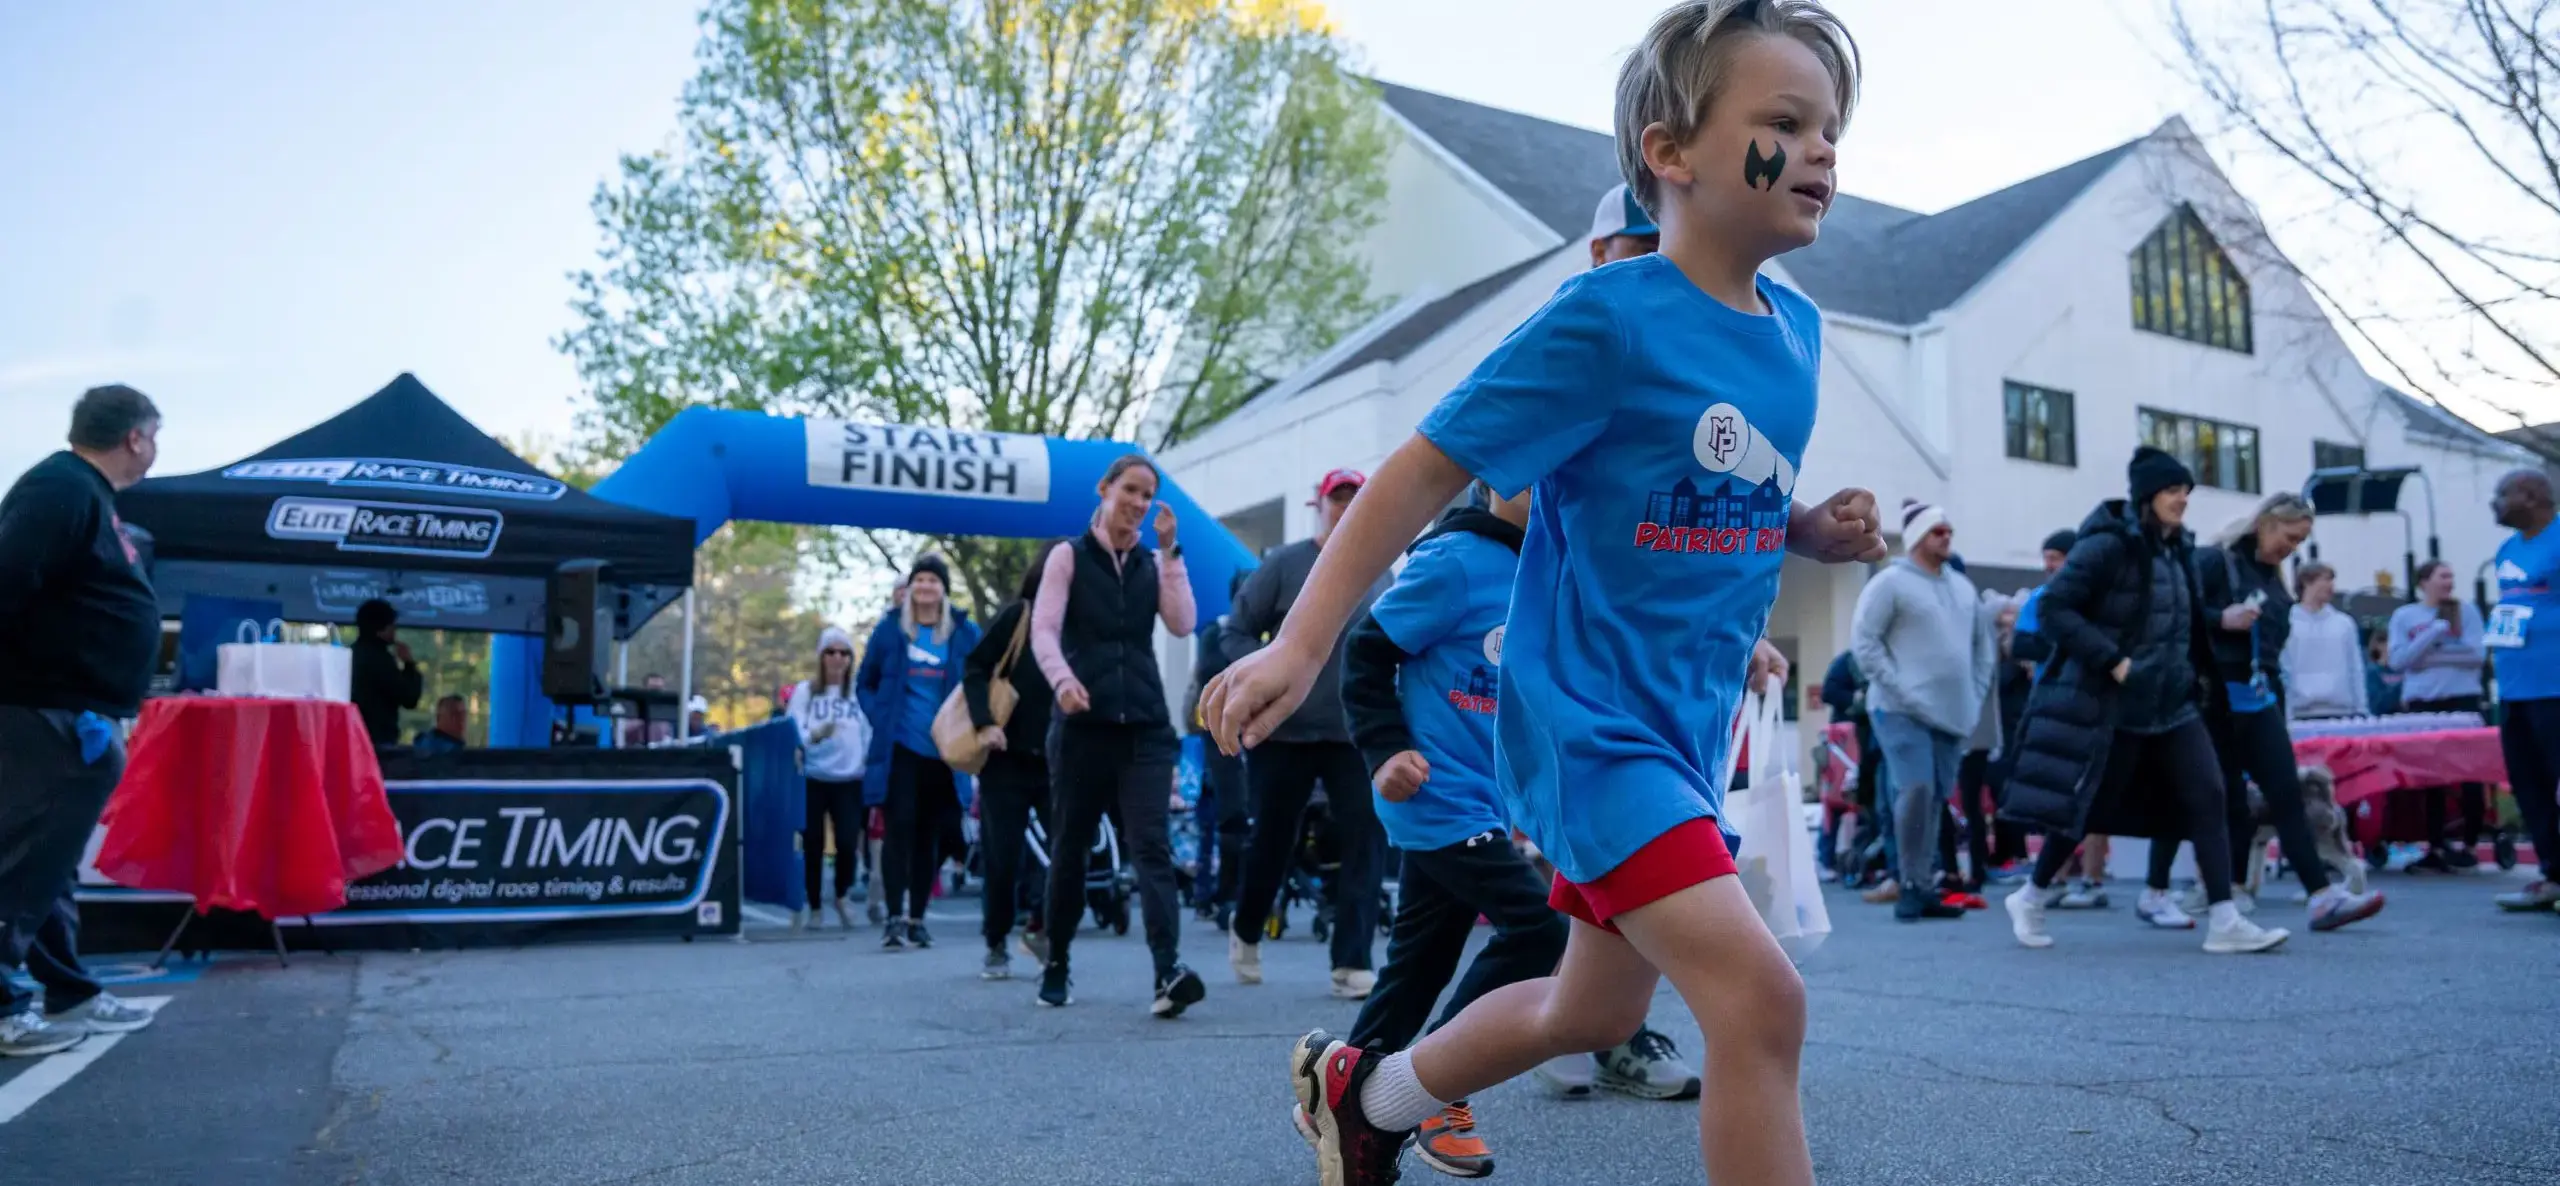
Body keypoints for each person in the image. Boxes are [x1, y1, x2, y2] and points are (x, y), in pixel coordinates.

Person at [1203, 4, 1884, 1180]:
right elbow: (1421, 467)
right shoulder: (1605, 319)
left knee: (1592, 1011)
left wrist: (1809, 533)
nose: (1821, 149)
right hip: (1591, 732)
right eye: (1785, 122)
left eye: (1830, 127)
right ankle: (1377, 1095)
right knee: (1760, 1003)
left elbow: (1721, 478)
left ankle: (1373, 1095)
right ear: (1670, 153)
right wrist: (1301, 648)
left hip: (1683, 736)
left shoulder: (1799, 334)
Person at [1330, 481, 1563, 1176]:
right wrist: (1383, 750)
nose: (1549, 484)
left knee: (1420, 961)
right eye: (1533, 470)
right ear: (1494, 477)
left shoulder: (1547, 567)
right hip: (1432, 792)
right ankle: (1437, 1083)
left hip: (1485, 799)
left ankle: (1343, 1090)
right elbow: (1365, 654)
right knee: (1539, 929)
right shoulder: (1454, 560)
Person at [2000, 447, 2291, 955]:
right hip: (2117, 704)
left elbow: (2186, 621)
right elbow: (2055, 611)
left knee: (2210, 794)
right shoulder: (2107, 547)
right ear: (2147, 496)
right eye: (2173, 491)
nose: (2182, 501)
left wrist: (2198, 678)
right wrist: (2115, 662)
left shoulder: (2179, 550)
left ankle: (2224, 919)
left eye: (2186, 492)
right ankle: (2031, 894)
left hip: (2173, 703)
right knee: (2091, 806)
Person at [0, 384, 164, 1058]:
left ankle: (66, 989)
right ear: (134, 437)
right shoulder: (61, 490)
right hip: (45, 712)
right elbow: (8, 581)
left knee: (52, 864)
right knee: (23, 861)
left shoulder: (85, 497)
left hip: (76, 711)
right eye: (155, 435)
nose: (155, 448)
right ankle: (5, 1007)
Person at [1028, 456, 1205, 1015]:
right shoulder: (1068, 556)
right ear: (1105, 489)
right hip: (1083, 726)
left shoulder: (1156, 563)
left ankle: (1166, 973)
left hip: (1146, 727)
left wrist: (1172, 553)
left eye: (1147, 493)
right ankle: (1056, 960)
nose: (1138, 501)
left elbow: (1182, 623)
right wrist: (1061, 680)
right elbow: (1043, 630)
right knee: (1072, 848)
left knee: (1150, 845)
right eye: (1129, 489)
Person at [2181, 492, 2385, 931]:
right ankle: (2226, 893)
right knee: (2229, 800)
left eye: (2300, 542)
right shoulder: (2215, 562)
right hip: (2214, 695)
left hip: (2259, 696)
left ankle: (2321, 895)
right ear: (2266, 523)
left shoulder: (2273, 578)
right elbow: (2181, 614)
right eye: (2289, 537)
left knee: (2286, 794)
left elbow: (2272, 647)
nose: (2291, 548)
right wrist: (2222, 619)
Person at [1222, 468, 1390, 999]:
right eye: (1337, 499)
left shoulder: (1379, 572)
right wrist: (1260, 675)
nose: (1346, 507)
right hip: (1284, 731)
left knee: (1367, 835)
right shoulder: (1284, 564)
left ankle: (1351, 961)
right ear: (1320, 505)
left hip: (1352, 731)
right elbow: (1235, 630)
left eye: (1356, 499)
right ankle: (1247, 929)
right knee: (1273, 841)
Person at [1851, 499, 1995, 921]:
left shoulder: (1963, 588)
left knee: (1934, 798)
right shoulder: (1890, 583)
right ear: (1917, 537)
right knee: (1915, 790)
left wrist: (1974, 694)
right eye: (1938, 531)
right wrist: (1900, 689)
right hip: (1898, 711)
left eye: (1949, 530)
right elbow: (1865, 644)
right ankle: (1910, 885)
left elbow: (1983, 651)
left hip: (1951, 714)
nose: (1946, 537)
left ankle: (1923, 882)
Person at [857, 554, 981, 950]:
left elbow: (983, 677)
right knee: (898, 830)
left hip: (944, 750)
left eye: (933, 580)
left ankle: (917, 918)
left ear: (944, 588)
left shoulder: (962, 632)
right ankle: (894, 918)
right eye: (920, 580)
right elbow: (866, 682)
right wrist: (880, 717)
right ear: (910, 588)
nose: (926, 587)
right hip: (901, 749)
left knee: (930, 835)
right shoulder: (890, 630)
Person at [963, 555, 1056, 979]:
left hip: (1060, 759)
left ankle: (1048, 936)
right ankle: (996, 940)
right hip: (1006, 761)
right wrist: (984, 723)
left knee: (1063, 855)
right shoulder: (1019, 616)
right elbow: (975, 667)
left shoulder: (1081, 625)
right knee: (1004, 857)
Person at [2487, 469, 2560, 912]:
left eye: (2501, 492)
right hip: (2514, 686)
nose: (2494, 501)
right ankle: (2552, 874)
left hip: (2555, 685)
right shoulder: (2506, 551)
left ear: (2531, 496)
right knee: (2528, 784)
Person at [2388, 559, 2491, 870]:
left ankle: (2470, 842)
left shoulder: (2467, 611)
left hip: (2463, 699)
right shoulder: (2405, 616)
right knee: (2430, 775)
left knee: (2470, 772)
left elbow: (2476, 655)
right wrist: (2433, 635)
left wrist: (2427, 657)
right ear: (2424, 581)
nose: (2449, 582)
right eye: (2443, 576)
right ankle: (2434, 843)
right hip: (2424, 703)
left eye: (2451, 576)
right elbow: (2399, 660)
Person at [789, 626, 871, 931]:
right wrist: (814, 736)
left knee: (848, 841)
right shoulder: (806, 692)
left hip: (850, 777)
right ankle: (813, 904)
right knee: (813, 842)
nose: (837, 658)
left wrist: (867, 760)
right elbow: (794, 730)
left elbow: (869, 731)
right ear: (821, 657)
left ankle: (841, 893)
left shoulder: (858, 693)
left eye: (844, 652)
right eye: (831, 652)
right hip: (814, 776)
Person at [1185, 572, 1252, 929]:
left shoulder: (1272, 634)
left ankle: (1251, 894)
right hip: (1222, 734)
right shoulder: (1217, 633)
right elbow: (1213, 678)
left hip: (1265, 735)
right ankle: (1224, 895)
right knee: (1230, 818)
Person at [2282, 563, 2368, 719]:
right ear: (2306, 583)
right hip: (2300, 712)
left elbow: (2355, 667)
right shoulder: (2288, 622)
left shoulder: (2344, 623)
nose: (2331, 586)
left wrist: (2361, 708)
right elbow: (2284, 668)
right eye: (2325, 580)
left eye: (2332, 580)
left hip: (2341, 712)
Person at [350, 598, 423, 747]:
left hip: (353, 735)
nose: (395, 630)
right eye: (392, 625)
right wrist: (409, 664)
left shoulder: (351, 654)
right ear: (381, 628)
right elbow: (409, 698)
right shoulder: (380, 660)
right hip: (378, 739)